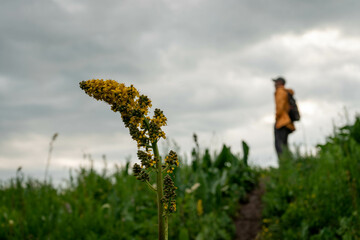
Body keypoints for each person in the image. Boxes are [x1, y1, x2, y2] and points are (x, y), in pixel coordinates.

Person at [272, 76, 295, 158]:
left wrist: (277, 118)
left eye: (275, 82)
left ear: (280, 83)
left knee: (280, 146)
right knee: (284, 145)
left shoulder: (280, 92)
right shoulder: (286, 92)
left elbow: (280, 107)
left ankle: (284, 164)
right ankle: (288, 163)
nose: (274, 84)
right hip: (287, 122)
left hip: (282, 122)